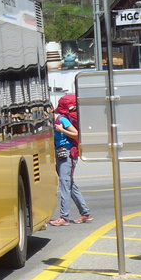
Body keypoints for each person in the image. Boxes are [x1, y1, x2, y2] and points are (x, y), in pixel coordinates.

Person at [50, 94, 91, 226]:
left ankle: (64, 217)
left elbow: (76, 134)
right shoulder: (57, 120)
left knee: (64, 184)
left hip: (67, 153)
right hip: (62, 153)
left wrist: (61, 129)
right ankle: (85, 213)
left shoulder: (62, 120)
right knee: (70, 184)